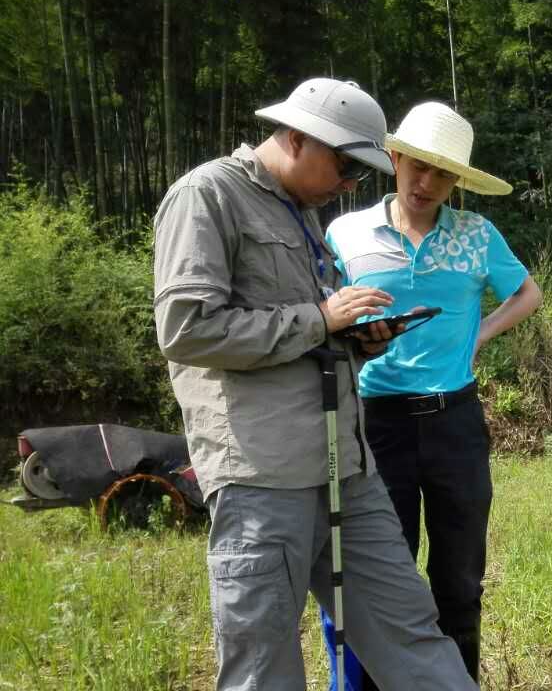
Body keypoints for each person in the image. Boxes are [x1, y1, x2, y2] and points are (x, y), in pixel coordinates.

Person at [152, 78, 476, 691]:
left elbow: (298, 333)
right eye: (347, 165)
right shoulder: (207, 196)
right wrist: (320, 319)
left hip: (347, 468)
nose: (353, 184)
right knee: (264, 662)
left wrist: (353, 339)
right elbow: (187, 329)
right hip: (262, 477)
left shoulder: (302, 214)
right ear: (297, 138)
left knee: (411, 631)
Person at [323, 100, 543, 686]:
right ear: (392, 158)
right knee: (377, 579)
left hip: (455, 425)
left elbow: (527, 293)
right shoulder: (346, 232)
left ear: (457, 181)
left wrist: (480, 334)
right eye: (417, 165)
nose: (427, 182)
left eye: (443, 173)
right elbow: (320, 310)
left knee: (459, 578)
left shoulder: (476, 235)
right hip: (375, 424)